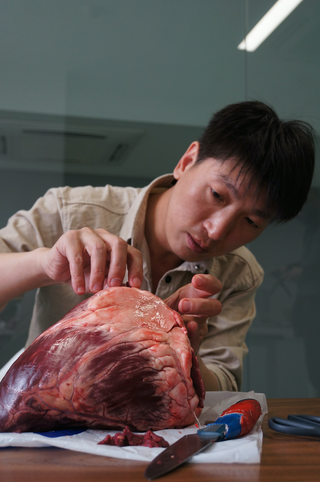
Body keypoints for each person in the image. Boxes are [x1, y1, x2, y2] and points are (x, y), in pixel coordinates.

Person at [0, 101, 315, 392]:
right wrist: (44, 265)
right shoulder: (70, 210)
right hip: (43, 416)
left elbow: (225, 383)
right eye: (217, 195)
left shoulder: (238, 273)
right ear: (187, 161)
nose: (217, 231)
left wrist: (186, 356)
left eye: (251, 222)